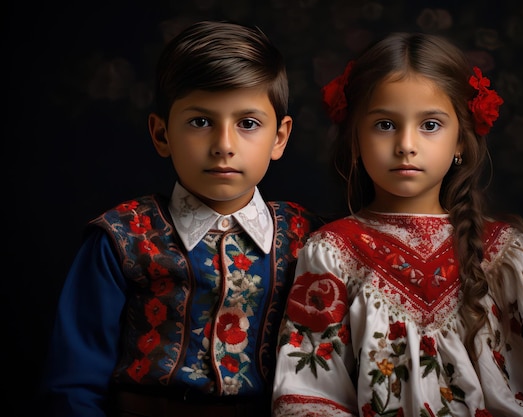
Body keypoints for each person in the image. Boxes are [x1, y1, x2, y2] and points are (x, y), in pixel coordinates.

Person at [272, 31, 523, 417]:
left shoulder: (508, 252)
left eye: (430, 125)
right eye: (385, 125)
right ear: (355, 139)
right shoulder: (331, 252)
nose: (406, 143)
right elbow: (308, 396)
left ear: (460, 140)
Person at [39, 20, 322, 417]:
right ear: (161, 134)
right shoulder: (122, 238)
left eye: (248, 123)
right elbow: (74, 384)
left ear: (279, 137)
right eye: (200, 122)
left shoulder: (309, 239)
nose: (224, 145)